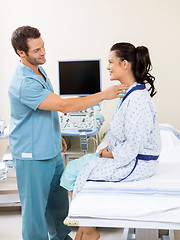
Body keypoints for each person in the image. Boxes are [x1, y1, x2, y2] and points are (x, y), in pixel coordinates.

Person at [8, 26, 128, 240]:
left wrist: (55, 134)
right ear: (21, 53)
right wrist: (103, 95)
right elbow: (63, 106)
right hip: (32, 156)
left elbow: (47, 108)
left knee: (58, 206)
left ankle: (62, 238)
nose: (43, 52)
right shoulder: (23, 83)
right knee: (35, 213)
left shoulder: (39, 70)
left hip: (50, 150)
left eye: (43, 46)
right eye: (36, 50)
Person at [60, 42, 161, 240]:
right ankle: (86, 228)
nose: (107, 67)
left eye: (110, 62)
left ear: (124, 64)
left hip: (137, 162)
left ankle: (88, 230)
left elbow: (133, 145)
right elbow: (126, 133)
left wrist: (108, 154)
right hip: (128, 156)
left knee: (77, 170)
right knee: (75, 168)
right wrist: (109, 147)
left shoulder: (137, 99)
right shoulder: (129, 94)